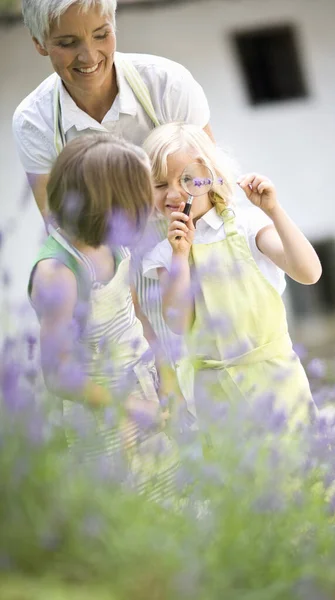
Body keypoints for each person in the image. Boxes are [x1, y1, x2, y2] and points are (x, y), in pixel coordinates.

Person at [13, 0, 214, 371]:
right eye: (67, 42)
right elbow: (67, 239)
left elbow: (210, 190)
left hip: (192, 265)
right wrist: (145, 342)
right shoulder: (34, 122)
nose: (89, 55)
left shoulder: (167, 84)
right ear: (40, 42)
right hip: (114, 292)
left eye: (102, 35)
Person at [28, 133, 179, 498]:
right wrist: (128, 408)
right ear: (111, 204)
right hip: (104, 418)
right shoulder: (58, 272)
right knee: (127, 514)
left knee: (171, 500)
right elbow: (58, 373)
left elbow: (134, 312)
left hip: (145, 393)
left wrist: (166, 374)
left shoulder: (114, 241)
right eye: (142, 198)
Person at [142, 123, 322, 426]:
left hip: (278, 383)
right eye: (159, 185)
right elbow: (177, 322)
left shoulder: (248, 226)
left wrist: (274, 211)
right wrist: (180, 257)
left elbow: (309, 272)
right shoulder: (165, 253)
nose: (173, 193)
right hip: (217, 396)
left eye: (186, 179)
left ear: (210, 177)